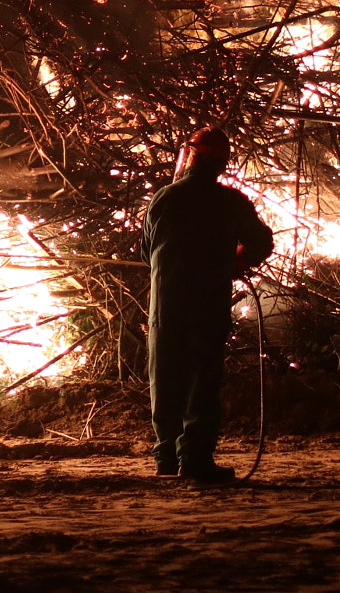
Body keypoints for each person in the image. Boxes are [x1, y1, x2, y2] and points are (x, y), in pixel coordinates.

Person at [139, 126, 273, 482]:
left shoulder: (164, 198)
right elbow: (260, 242)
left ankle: (166, 457)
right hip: (207, 304)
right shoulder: (230, 203)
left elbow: (145, 251)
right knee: (201, 378)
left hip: (165, 304)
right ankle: (193, 459)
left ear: (189, 156)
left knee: (165, 378)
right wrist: (236, 262)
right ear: (221, 164)